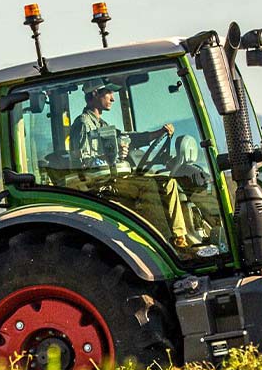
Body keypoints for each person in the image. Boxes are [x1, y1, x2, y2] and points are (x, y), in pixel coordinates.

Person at [70, 80, 189, 248]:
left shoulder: (102, 125)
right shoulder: (83, 124)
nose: (113, 99)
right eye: (108, 93)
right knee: (149, 186)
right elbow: (83, 164)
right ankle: (160, 244)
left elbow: (130, 138)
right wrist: (112, 155)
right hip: (99, 186)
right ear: (95, 93)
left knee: (166, 181)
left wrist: (159, 133)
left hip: (113, 179)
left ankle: (180, 239)